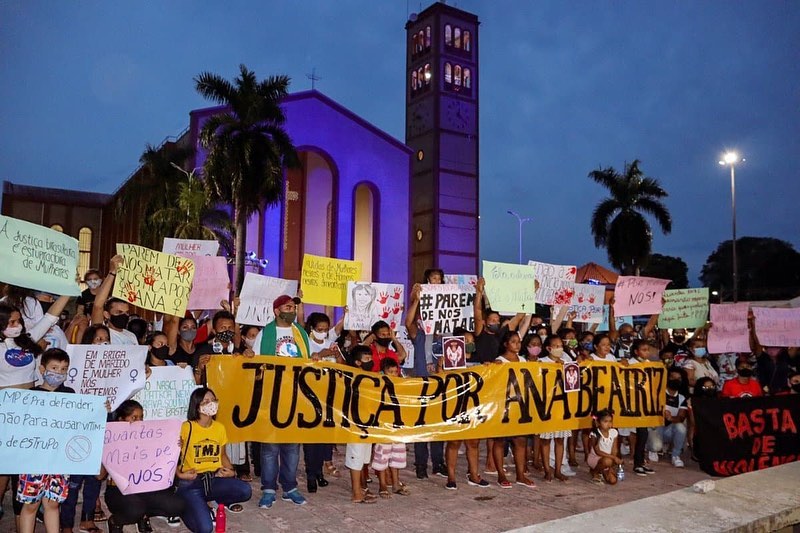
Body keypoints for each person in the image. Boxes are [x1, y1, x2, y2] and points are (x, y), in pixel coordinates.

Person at [252, 295, 309, 509]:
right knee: (270, 447)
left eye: (294, 307)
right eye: (288, 307)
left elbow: (307, 360)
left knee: (292, 447)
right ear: (276, 311)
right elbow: (256, 364)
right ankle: (268, 488)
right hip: (270, 396)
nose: (292, 310)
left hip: (295, 396)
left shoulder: (301, 334)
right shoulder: (265, 334)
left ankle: (290, 487)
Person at [175, 388, 251, 533]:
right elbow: (171, 456)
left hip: (213, 478)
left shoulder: (219, 428)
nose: (212, 404)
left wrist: (231, 471)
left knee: (245, 491)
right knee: (206, 528)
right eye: (206, 401)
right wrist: (179, 474)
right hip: (192, 481)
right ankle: (185, 507)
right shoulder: (186, 427)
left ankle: (208, 502)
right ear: (197, 406)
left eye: (214, 400)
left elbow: (222, 455)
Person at [105, 400, 185, 533]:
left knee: (177, 505)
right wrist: (105, 451)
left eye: (141, 417)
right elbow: (99, 476)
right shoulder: (111, 439)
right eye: (134, 418)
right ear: (121, 420)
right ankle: (116, 521)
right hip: (118, 491)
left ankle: (144, 516)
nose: (139, 421)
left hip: (145, 488)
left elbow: (162, 459)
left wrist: (176, 447)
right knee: (135, 509)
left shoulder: (147, 437)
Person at [16, 349, 74, 533]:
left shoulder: (71, 395)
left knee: (53, 504)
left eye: (63, 369)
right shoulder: (30, 395)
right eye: (54, 368)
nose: (58, 373)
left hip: (59, 460)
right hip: (33, 460)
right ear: (42, 369)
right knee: (31, 506)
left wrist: (100, 408)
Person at [437, 329, 489, 491]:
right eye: (464, 340)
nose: (468, 343)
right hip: (455, 406)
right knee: (454, 442)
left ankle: (474, 475)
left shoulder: (479, 360)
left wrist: (491, 368)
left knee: (473, 443)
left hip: (473, 406)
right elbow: (441, 379)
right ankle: (451, 477)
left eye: (471, 340)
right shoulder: (449, 361)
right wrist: (441, 365)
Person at [404, 284, 446, 479]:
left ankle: (438, 463)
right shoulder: (420, 336)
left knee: (438, 426)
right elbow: (408, 322)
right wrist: (416, 301)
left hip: (441, 386)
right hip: (422, 384)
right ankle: (421, 464)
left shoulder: (449, 338)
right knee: (421, 425)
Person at [492, 331, 536, 489]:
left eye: (518, 341)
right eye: (513, 341)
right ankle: (501, 475)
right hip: (503, 406)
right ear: (505, 344)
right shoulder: (500, 361)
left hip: (519, 406)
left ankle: (520, 475)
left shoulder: (523, 360)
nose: (517, 344)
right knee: (500, 441)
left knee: (520, 441)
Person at [372, 359, 410, 498]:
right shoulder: (378, 383)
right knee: (382, 455)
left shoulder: (401, 383)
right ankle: (382, 484)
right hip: (383, 426)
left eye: (396, 372)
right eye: (390, 372)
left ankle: (395, 483)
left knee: (397, 455)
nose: (394, 375)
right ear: (383, 372)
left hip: (397, 426)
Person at [344, 346, 377, 504]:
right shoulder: (351, 377)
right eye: (366, 360)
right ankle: (356, 492)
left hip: (368, 422)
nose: (370, 362)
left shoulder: (371, 376)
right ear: (357, 362)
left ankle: (363, 487)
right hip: (355, 422)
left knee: (364, 457)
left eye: (371, 359)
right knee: (356, 456)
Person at [538, 335, 573, 482]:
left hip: (562, 407)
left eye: (560, 345)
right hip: (546, 407)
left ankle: (558, 469)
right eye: (555, 345)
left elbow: (573, 383)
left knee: (560, 439)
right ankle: (547, 469)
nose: (559, 348)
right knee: (545, 440)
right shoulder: (541, 362)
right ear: (548, 348)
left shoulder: (566, 363)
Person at [90, 256, 139, 346]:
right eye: (119, 312)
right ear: (107, 314)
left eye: (126, 313)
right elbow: (98, 305)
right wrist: (112, 272)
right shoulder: (102, 333)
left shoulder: (132, 336)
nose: (124, 316)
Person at [647, 367, 688, 468]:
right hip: (656, 427)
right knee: (656, 445)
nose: (676, 380)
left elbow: (681, 417)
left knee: (681, 427)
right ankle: (652, 450)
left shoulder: (682, 398)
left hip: (669, 429)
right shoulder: (658, 393)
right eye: (673, 377)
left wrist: (671, 418)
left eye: (679, 378)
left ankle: (676, 456)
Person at [627, 340, 656, 477]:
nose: (646, 352)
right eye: (643, 350)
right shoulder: (630, 364)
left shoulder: (649, 364)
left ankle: (641, 462)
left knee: (643, 435)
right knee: (639, 434)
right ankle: (637, 463)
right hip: (634, 404)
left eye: (647, 350)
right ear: (636, 352)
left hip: (645, 404)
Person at [587, 409, 621, 485]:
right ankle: (595, 472)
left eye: (610, 421)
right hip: (596, 458)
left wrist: (613, 461)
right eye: (605, 422)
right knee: (607, 461)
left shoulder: (614, 432)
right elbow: (597, 451)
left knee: (613, 481)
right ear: (598, 422)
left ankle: (604, 470)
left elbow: (614, 449)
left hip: (609, 458)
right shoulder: (595, 434)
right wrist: (613, 458)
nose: (609, 424)